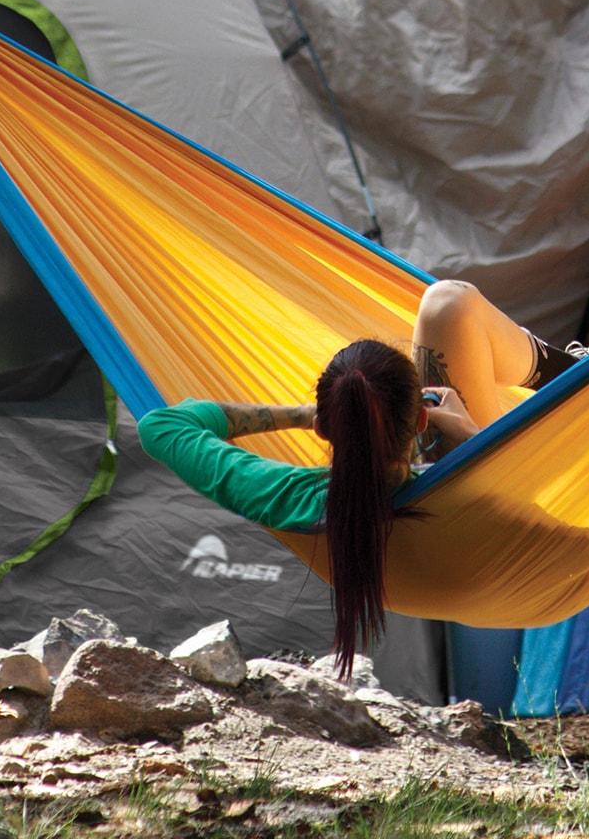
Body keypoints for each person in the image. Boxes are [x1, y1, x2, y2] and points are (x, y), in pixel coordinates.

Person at [137, 279, 566, 675]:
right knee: (448, 303)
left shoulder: (289, 500)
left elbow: (162, 427)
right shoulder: (474, 489)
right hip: (535, 570)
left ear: (326, 429)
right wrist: (469, 437)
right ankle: (572, 367)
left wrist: (305, 416)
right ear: (421, 421)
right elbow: (561, 529)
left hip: (471, 582)